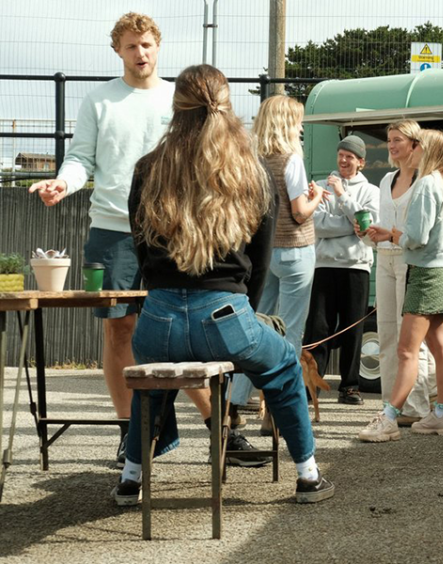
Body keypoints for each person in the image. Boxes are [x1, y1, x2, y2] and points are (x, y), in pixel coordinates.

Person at [113, 64, 333, 505]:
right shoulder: (251, 173)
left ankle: (130, 480)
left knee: (154, 384)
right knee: (285, 366)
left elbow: (141, 251)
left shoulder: (147, 169)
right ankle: (308, 476)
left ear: (176, 109)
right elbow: (260, 260)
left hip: (157, 319)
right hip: (227, 315)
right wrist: (242, 313)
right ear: (229, 108)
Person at [26, 13, 222, 467]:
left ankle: (221, 427)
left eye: (148, 44)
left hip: (173, 233)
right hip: (112, 230)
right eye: (132, 46)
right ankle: (128, 431)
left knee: (183, 330)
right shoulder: (99, 100)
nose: (141, 53)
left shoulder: (181, 99)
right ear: (118, 50)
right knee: (119, 330)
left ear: (160, 46)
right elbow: (79, 159)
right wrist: (62, 182)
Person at [358, 129, 443, 442]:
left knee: (406, 350)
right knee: (441, 348)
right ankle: (442, 414)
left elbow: (416, 238)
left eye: (417, 144)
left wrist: (391, 234)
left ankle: (389, 418)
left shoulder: (426, 185)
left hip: (425, 274)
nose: (412, 148)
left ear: (427, 150)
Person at [227, 96, 326, 428]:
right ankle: (278, 411)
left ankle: (234, 403)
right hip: (296, 250)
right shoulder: (291, 160)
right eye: (298, 121)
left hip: (263, 253)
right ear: (287, 124)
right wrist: (314, 199)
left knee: (252, 329)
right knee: (291, 332)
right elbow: (299, 213)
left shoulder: (252, 159)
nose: (301, 127)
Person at [369, 120, 438, 425]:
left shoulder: (427, 180)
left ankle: (417, 405)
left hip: (410, 260)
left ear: (414, 143)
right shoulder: (385, 180)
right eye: (389, 140)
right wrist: (369, 232)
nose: (392, 145)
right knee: (385, 333)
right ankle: (390, 405)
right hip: (383, 258)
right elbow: (383, 226)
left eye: (398, 139)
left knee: (409, 338)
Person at [303, 135, 379, 406]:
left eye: (351, 157)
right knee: (318, 328)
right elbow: (317, 225)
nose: (344, 160)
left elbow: (368, 225)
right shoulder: (321, 185)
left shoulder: (370, 191)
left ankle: (349, 387)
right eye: (341, 155)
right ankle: (312, 385)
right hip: (324, 264)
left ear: (361, 162)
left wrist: (343, 198)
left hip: (357, 267)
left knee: (352, 330)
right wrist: (352, 224)